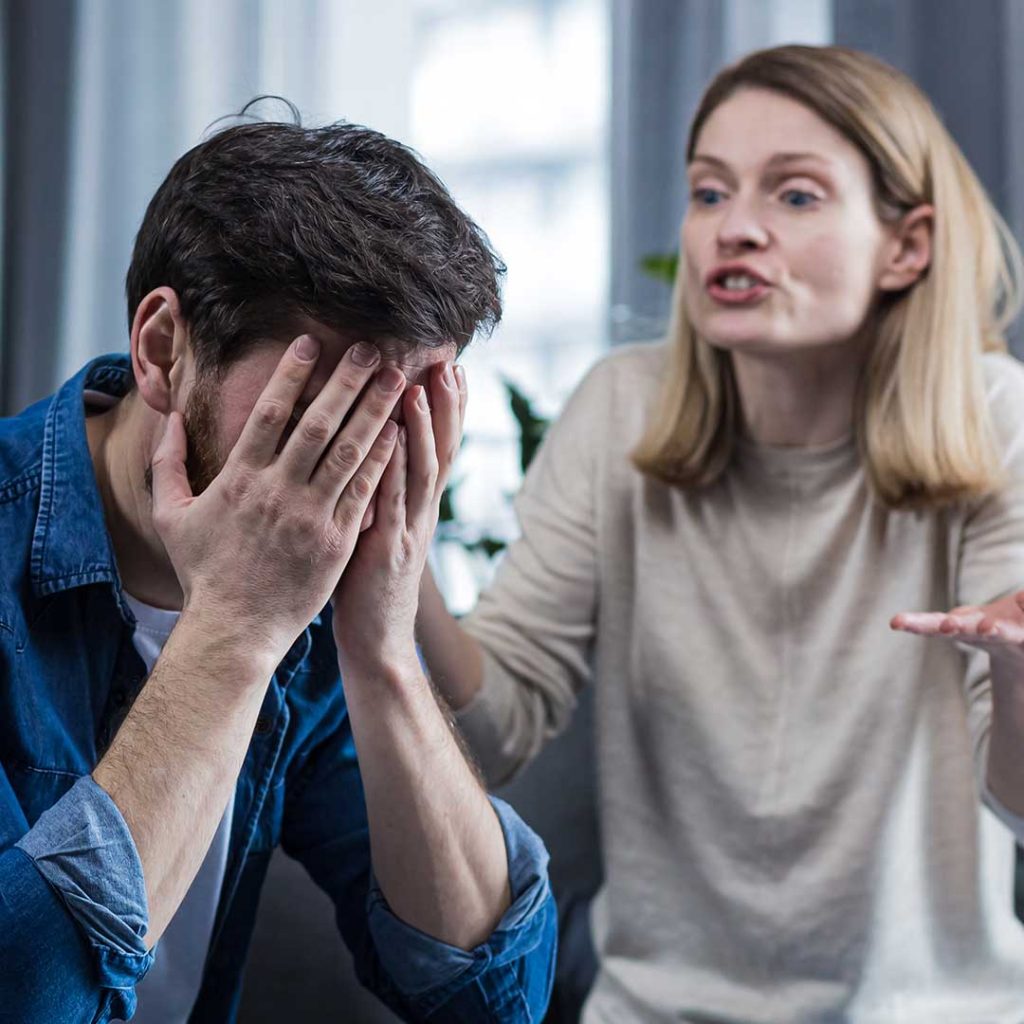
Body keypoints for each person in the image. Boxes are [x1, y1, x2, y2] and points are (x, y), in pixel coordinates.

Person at [416, 44, 1024, 1023]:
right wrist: (403, 570)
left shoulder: (994, 418)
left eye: (793, 197)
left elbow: (1019, 802)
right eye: (708, 193)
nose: (732, 230)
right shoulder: (620, 409)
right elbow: (491, 736)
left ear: (906, 244)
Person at [0, 115, 556, 1023]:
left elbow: (492, 1004)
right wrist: (238, 626)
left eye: (400, 415)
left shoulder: (326, 588)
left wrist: (381, 645)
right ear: (162, 349)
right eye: (324, 405)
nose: (361, 460)